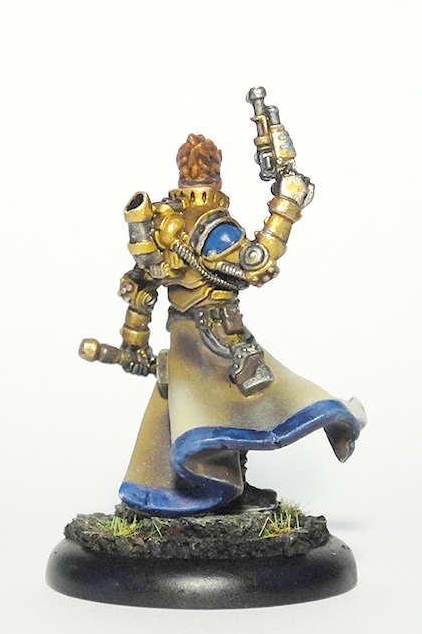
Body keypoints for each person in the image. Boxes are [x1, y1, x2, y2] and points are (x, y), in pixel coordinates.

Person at [99, 131, 365, 516]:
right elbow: (257, 263)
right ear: (218, 177)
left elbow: (139, 289)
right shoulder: (214, 228)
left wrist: (134, 341)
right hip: (218, 337)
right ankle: (207, 491)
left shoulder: (162, 222)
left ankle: (231, 487)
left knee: (208, 410)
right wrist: (287, 204)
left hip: (185, 340)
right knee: (237, 407)